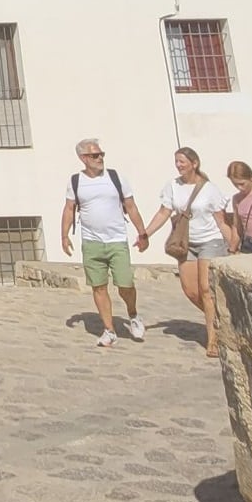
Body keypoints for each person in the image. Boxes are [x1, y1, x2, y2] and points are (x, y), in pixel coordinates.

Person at [143, 146, 237, 359]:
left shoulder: (209, 189)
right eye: (176, 161)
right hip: (185, 243)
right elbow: (164, 212)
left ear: (194, 163)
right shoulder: (172, 187)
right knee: (190, 290)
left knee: (206, 289)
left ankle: (213, 338)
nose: (178, 165)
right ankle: (220, 321)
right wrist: (145, 233)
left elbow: (220, 220)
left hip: (210, 242)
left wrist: (233, 244)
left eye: (182, 161)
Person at [59, 137, 151, 348]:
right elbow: (69, 209)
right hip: (92, 242)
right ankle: (109, 329)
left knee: (125, 284)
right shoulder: (75, 182)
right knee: (98, 287)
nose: (100, 158)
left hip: (117, 239)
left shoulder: (115, 178)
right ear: (83, 158)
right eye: (94, 155)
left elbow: (131, 205)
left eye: (101, 154)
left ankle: (133, 315)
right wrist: (64, 236)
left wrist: (142, 232)